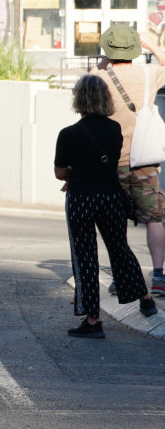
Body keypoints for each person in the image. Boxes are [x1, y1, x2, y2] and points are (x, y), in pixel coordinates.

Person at [56, 74, 158, 338]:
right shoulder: (114, 129)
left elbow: (60, 172)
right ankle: (145, 298)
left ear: (79, 99)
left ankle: (92, 321)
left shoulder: (68, 134)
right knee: (119, 248)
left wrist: (73, 174)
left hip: (81, 199)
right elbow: (108, 164)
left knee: (85, 256)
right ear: (105, 98)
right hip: (111, 197)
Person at [92, 25, 165, 298]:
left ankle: (121, 276)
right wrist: (152, 46)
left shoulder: (100, 78)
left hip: (111, 162)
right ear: (135, 48)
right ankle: (158, 277)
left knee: (116, 221)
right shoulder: (149, 74)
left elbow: (88, 80)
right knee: (153, 218)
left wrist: (106, 60)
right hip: (145, 160)